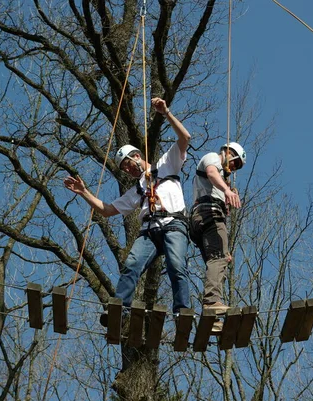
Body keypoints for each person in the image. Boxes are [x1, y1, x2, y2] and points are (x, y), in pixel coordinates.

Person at [63, 97, 191, 325]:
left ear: (138, 156)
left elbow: (185, 138)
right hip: (149, 230)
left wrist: (166, 113)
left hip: (174, 224)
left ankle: (182, 311)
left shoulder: (166, 164)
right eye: (125, 169)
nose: (129, 171)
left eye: (130, 165)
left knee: (177, 266)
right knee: (131, 265)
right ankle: (120, 309)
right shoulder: (136, 190)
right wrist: (84, 192)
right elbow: (107, 210)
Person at [189, 142, 246, 333]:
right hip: (209, 214)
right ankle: (212, 302)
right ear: (228, 152)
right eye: (235, 162)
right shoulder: (213, 157)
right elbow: (212, 173)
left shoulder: (221, 179)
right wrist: (227, 191)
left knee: (218, 262)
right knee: (219, 259)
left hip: (203, 217)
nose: (234, 167)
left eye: (237, 167)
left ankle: (212, 318)